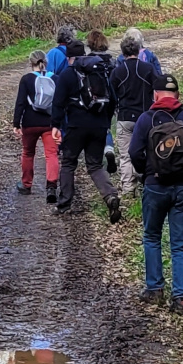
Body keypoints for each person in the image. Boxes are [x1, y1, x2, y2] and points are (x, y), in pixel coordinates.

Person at [129, 71, 183, 310]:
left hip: (155, 187)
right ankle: (181, 297)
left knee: (152, 237)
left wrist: (146, 173)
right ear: (178, 94)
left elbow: (134, 152)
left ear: (155, 95)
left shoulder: (146, 119)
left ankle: (154, 289)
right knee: (179, 245)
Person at [49, 28, 123, 223]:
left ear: (69, 57)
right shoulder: (100, 71)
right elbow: (112, 99)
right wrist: (105, 122)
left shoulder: (68, 74)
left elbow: (58, 102)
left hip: (76, 126)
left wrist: (55, 125)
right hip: (98, 125)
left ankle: (64, 204)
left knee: (68, 163)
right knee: (95, 165)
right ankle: (110, 196)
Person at [110, 27, 164, 195]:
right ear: (139, 49)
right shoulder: (147, 69)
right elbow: (159, 85)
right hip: (145, 117)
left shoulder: (117, 71)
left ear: (123, 51)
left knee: (125, 155)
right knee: (147, 150)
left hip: (125, 116)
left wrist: (114, 110)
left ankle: (128, 188)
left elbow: (112, 94)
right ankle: (146, 180)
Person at [11, 50, 60, 200]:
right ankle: (51, 187)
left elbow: (20, 102)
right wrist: (59, 123)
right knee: (51, 154)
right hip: (49, 123)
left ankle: (26, 185)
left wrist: (16, 123)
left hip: (30, 123)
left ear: (31, 63)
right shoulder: (55, 78)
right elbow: (59, 104)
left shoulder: (26, 79)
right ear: (46, 62)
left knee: (28, 153)